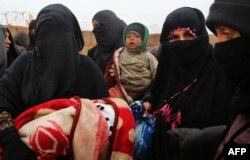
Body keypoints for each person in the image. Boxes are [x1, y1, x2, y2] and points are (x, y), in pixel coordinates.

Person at [0, 3, 108, 160]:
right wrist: (11, 141)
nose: (54, 42)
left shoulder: (88, 70)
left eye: (61, 34)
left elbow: (104, 119)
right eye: (46, 34)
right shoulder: (24, 65)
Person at [142, 7, 235, 160]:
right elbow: (156, 93)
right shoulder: (167, 69)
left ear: (200, 35)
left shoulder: (220, 71)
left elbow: (239, 145)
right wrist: (148, 101)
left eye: (188, 35)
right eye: (174, 37)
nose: (182, 43)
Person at [206, 0, 250, 159]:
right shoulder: (243, 97)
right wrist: (210, 138)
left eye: (227, 33)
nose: (220, 46)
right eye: (218, 34)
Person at [108, 22, 158, 103]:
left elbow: (156, 73)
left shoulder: (148, 56)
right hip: (123, 91)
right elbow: (115, 68)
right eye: (128, 37)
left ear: (144, 38)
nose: (131, 39)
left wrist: (151, 95)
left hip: (143, 93)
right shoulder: (120, 54)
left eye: (136, 36)